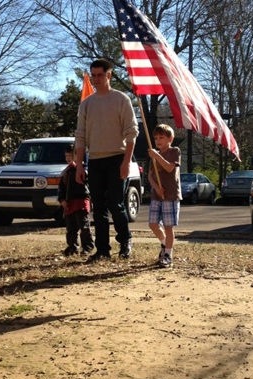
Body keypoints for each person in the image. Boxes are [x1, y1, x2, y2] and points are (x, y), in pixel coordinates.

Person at [74, 58, 139, 262]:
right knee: (98, 207)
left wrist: (126, 162)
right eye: (93, 75)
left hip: (117, 159)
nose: (96, 79)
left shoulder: (121, 100)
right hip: (94, 161)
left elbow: (132, 133)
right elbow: (80, 136)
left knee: (115, 203)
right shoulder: (86, 104)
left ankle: (125, 241)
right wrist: (79, 165)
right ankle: (102, 249)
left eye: (100, 75)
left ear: (109, 75)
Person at [147, 124, 182, 268]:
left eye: (161, 137)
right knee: (153, 224)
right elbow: (150, 175)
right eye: (156, 138)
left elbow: (169, 167)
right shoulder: (154, 154)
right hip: (157, 195)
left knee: (168, 226)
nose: (158, 141)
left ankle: (168, 254)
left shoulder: (175, 151)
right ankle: (164, 243)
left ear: (170, 139)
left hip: (171, 194)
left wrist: (156, 156)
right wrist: (156, 187)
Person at [58, 144, 94, 256]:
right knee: (71, 228)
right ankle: (72, 247)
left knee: (83, 226)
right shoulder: (66, 172)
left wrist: (78, 168)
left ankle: (87, 246)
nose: (68, 158)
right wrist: (62, 200)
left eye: (70, 155)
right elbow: (61, 188)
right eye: (66, 156)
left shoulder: (83, 169)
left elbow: (86, 183)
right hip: (69, 203)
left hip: (81, 202)